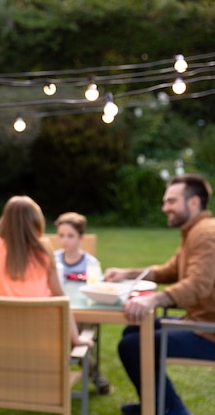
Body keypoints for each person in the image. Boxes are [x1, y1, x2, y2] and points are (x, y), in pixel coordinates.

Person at [104, 173, 215, 415]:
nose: (165, 208)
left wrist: (154, 299)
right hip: (198, 323)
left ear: (194, 202)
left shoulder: (205, 235)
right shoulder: (194, 231)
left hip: (209, 333)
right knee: (132, 330)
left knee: (133, 345)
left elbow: (198, 285)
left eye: (171, 201)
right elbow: (170, 270)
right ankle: (155, 404)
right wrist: (127, 273)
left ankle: (169, 410)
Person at [0, 196, 92, 349]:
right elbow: (59, 295)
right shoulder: (43, 250)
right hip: (42, 336)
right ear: (36, 221)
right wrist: (75, 338)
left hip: (5, 335)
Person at [54, 212, 112, 395]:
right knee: (71, 337)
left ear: (81, 238)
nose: (65, 240)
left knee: (74, 336)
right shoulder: (52, 260)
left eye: (70, 236)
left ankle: (93, 374)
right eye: (61, 235)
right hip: (60, 311)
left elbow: (97, 289)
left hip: (83, 312)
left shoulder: (90, 263)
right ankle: (94, 375)